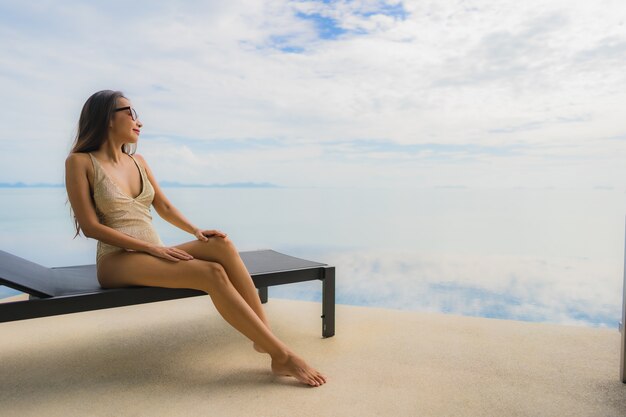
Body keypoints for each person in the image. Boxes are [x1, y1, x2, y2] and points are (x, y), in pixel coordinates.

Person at [65, 90, 327, 387]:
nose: (139, 121)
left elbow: (163, 207)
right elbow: (89, 226)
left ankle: (265, 341)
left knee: (221, 245)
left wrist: (195, 231)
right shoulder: (80, 162)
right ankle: (282, 354)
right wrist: (153, 248)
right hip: (116, 260)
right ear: (107, 118)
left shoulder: (139, 161)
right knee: (211, 272)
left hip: (152, 254)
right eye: (131, 112)